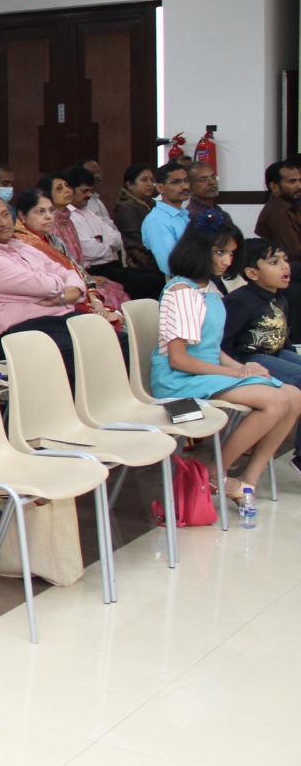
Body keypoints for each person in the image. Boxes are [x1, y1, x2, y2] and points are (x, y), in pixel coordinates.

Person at [153, 214, 301, 512]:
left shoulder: (210, 288)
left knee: (294, 396)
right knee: (274, 400)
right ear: (198, 249)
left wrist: (240, 368)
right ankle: (212, 473)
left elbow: (212, 348)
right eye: (219, 252)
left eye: (231, 253)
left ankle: (249, 478)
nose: (226, 260)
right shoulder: (181, 292)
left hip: (206, 372)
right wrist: (235, 371)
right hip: (179, 377)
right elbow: (180, 359)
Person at [0, 194, 104, 380]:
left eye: (5, 215)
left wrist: (71, 292)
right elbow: (43, 285)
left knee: (115, 341)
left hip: (58, 320)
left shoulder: (22, 246)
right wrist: (63, 286)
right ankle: (79, 406)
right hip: (20, 333)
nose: (3, 222)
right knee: (81, 354)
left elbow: (71, 273)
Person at [13, 184, 126, 320]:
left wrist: (95, 300)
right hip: (50, 305)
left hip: (75, 294)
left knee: (119, 318)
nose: (49, 216)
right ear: (22, 215)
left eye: (51, 210)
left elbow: (76, 270)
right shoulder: (18, 243)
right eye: (40, 211)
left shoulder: (54, 240)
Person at [63, 164, 161, 301]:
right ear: (69, 190)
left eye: (91, 191)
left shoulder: (88, 212)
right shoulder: (67, 216)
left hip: (111, 265)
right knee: (153, 281)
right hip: (94, 270)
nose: (89, 195)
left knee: (157, 276)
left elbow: (117, 237)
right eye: (85, 191)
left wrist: (100, 242)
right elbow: (90, 251)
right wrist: (106, 243)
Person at [222, 239, 301, 393]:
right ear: (252, 273)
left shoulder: (280, 298)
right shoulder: (240, 300)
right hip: (250, 358)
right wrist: (235, 370)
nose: (285, 266)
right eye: (274, 262)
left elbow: (283, 337)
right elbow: (223, 342)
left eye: (285, 260)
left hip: (276, 353)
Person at [254, 160, 301, 290]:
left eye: (299, 180)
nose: (299, 186)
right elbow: (294, 253)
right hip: (290, 281)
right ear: (275, 187)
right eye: (292, 182)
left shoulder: (293, 206)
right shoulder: (276, 213)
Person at [142, 161, 193, 274]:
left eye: (186, 180)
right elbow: (169, 266)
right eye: (176, 182)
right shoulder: (157, 221)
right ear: (160, 188)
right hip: (180, 283)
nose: (185, 186)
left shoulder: (183, 214)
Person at [113, 163, 162, 273]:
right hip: (140, 264)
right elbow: (138, 242)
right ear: (130, 184)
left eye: (152, 180)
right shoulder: (125, 207)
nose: (150, 184)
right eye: (144, 180)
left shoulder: (153, 204)